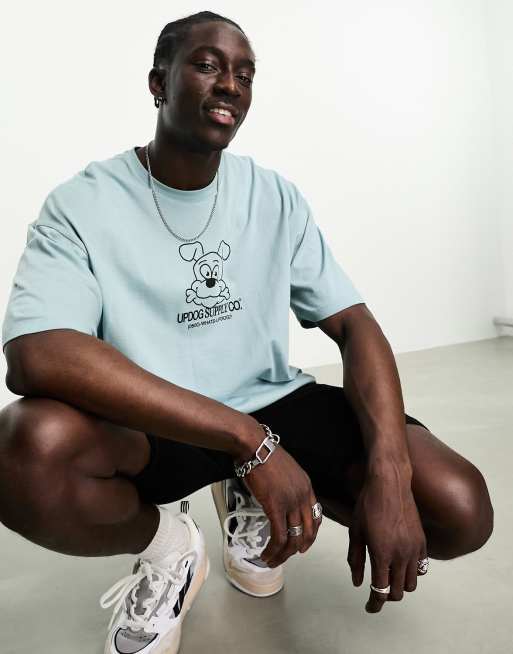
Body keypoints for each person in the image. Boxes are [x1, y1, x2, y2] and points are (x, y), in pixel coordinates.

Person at [0, 10, 494, 654]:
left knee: (459, 508)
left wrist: (391, 476)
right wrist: (248, 441)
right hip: (158, 421)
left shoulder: (273, 195)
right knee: (25, 449)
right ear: (158, 83)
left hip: (272, 401)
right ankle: (170, 547)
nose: (230, 84)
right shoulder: (82, 203)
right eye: (208, 65)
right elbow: (36, 355)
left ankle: (245, 489)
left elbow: (355, 324)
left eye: (245, 73)